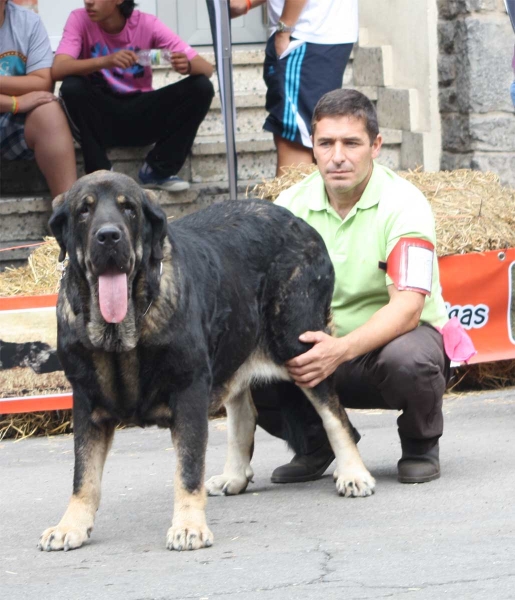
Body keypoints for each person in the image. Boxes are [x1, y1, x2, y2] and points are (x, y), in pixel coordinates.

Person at [252, 89, 474, 485]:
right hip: (321, 349)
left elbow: (407, 308)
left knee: (412, 361)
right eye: (326, 143)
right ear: (313, 147)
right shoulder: (286, 207)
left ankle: (421, 444)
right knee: (254, 368)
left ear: (375, 146)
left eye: (351, 143)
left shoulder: (405, 204)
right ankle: (318, 444)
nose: (338, 156)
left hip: (387, 346)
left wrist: (339, 350)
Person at [51, 0, 215, 192]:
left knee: (201, 87)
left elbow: (206, 68)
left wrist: (187, 66)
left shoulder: (147, 24)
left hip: (140, 114)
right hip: (100, 117)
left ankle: (157, 170)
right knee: (71, 87)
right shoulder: (79, 19)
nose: (88, 1)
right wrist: (105, 61)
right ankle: (100, 171)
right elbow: (58, 68)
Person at [230, 0, 357, 176]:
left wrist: (284, 29)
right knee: (312, 131)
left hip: (304, 35)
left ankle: (291, 204)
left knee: (297, 136)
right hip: (322, 34)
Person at [0, 0, 77, 198]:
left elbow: (42, 82)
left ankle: (67, 216)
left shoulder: (28, 22)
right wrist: (15, 103)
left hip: (9, 123)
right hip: (13, 106)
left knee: (49, 110)